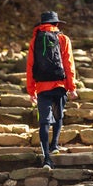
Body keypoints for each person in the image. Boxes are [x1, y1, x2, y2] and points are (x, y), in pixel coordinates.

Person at [26, 11, 78, 169]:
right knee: (58, 115)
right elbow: (68, 64)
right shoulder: (63, 39)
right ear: (56, 24)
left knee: (44, 121)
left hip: (42, 86)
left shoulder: (35, 40)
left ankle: (46, 158)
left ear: (41, 25)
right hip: (60, 85)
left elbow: (30, 66)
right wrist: (72, 87)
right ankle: (54, 145)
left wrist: (31, 90)